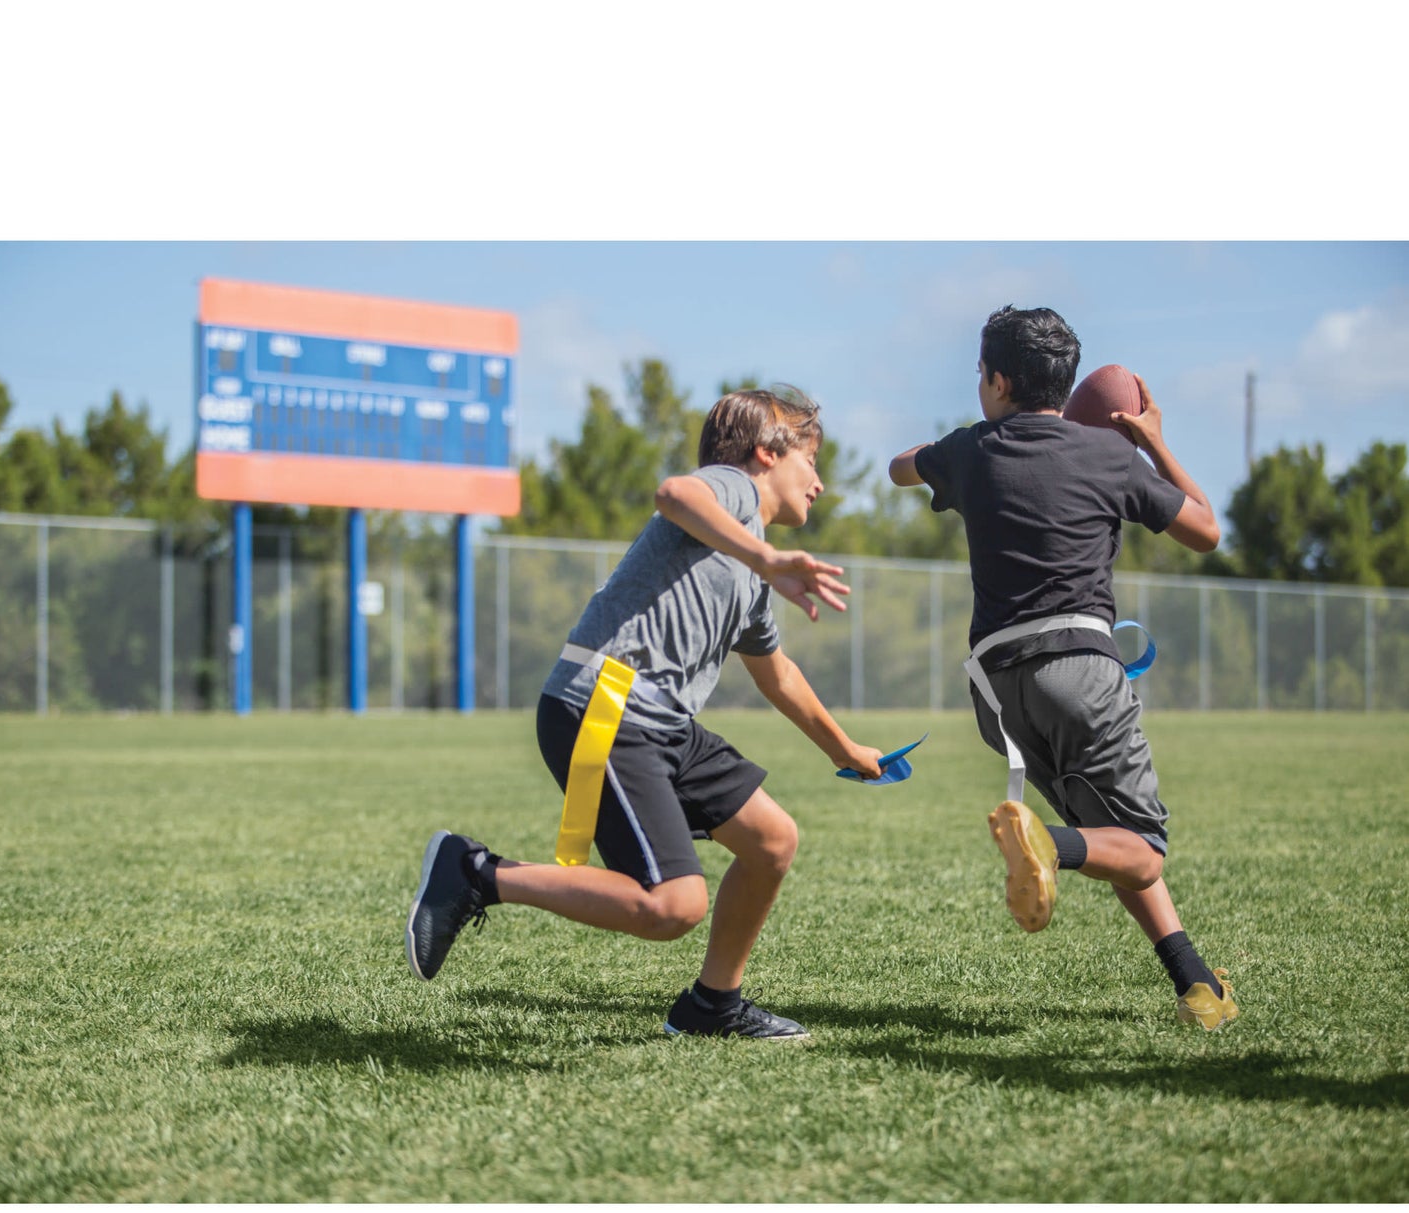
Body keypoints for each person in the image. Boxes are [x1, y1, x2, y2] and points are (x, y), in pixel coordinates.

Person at [407, 386, 884, 1040]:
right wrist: (768, 558)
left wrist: (844, 748)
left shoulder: (749, 567)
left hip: (660, 721)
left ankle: (712, 1004)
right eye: (811, 461)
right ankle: (475, 872)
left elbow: (776, 673)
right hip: (606, 704)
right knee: (671, 906)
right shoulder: (734, 493)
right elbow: (673, 494)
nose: (820, 483)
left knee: (771, 840)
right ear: (766, 453)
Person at [888, 305, 1238, 1031]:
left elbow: (897, 469)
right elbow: (1204, 530)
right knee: (1137, 848)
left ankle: (1195, 983)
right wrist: (1153, 445)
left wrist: (945, 452)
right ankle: (1048, 841)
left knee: (1107, 831)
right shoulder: (1112, 457)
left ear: (996, 380)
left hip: (995, 691)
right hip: (1078, 670)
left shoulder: (970, 447)